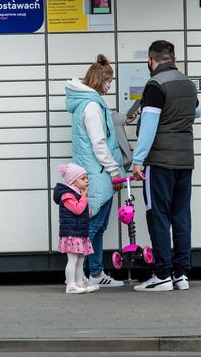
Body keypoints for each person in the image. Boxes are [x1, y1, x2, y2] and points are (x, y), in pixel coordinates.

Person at [131, 40, 201, 292]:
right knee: (181, 216)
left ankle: (162, 274)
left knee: (158, 215)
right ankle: (181, 274)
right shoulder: (187, 83)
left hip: (160, 161)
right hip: (185, 160)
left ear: (150, 60)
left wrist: (138, 160)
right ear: (174, 58)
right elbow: (198, 112)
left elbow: (149, 126)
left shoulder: (155, 85)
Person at [65, 54, 126, 288]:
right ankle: (80, 277)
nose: (110, 85)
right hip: (98, 172)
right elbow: (99, 142)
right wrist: (114, 170)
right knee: (92, 226)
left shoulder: (86, 103)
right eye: (108, 80)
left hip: (92, 171)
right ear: (99, 79)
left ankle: (96, 273)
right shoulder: (92, 106)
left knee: (97, 227)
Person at [53, 163, 96, 294]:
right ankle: (70, 285)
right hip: (72, 233)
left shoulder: (77, 194)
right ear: (72, 181)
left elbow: (86, 211)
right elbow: (77, 209)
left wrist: (84, 201)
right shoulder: (67, 195)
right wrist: (84, 198)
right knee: (73, 260)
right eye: (83, 178)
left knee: (80, 259)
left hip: (79, 232)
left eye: (87, 178)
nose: (87, 181)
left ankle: (79, 282)